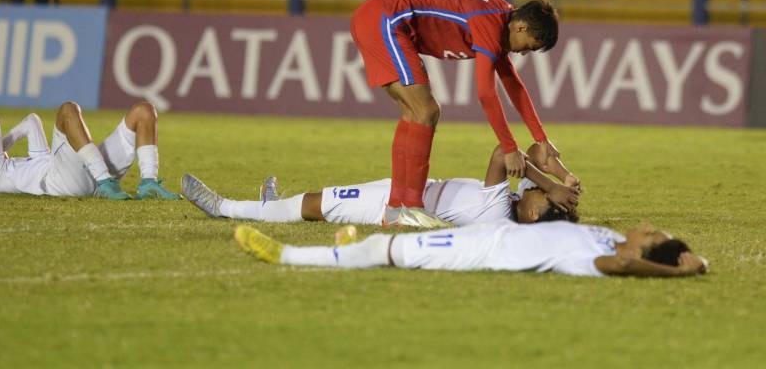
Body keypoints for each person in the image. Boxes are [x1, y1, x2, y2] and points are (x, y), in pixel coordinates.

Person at [349, 0, 560, 226]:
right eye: (530, 47)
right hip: (386, 19)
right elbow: (485, 94)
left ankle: (398, 209)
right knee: (425, 110)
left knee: (415, 112)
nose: (524, 53)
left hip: (382, 17)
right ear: (521, 28)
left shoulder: (500, 19)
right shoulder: (490, 22)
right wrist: (509, 147)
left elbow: (513, 85)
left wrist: (541, 139)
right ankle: (410, 208)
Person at [182, 141, 580, 227]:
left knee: (315, 206)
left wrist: (549, 182)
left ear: (532, 214)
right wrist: (562, 178)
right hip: (409, 190)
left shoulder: (498, 211)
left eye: (542, 197)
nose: (538, 191)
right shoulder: (512, 204)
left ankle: (223, 207)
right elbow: (536, 149)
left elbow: (501, 154)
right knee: (319, 200)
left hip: (397, 206)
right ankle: (271, 205)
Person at [234, 221, 709, 279]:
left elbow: (625, 265)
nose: (649, 227)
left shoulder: (595, 259)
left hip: (478, 253)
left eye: (654, 234)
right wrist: (699, 260)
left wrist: (678, 273)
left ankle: (286, 256)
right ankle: (353, 245)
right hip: (486, 232)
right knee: (390, 242)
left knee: (387, 252)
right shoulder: (605, 234)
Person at [0, 101, 181, 200]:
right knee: (67, 111)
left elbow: (32, 121)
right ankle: (104, 180)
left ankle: (148, 183)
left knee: (143, 111)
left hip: (77, 172)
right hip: (63, 182)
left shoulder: (19, 166)